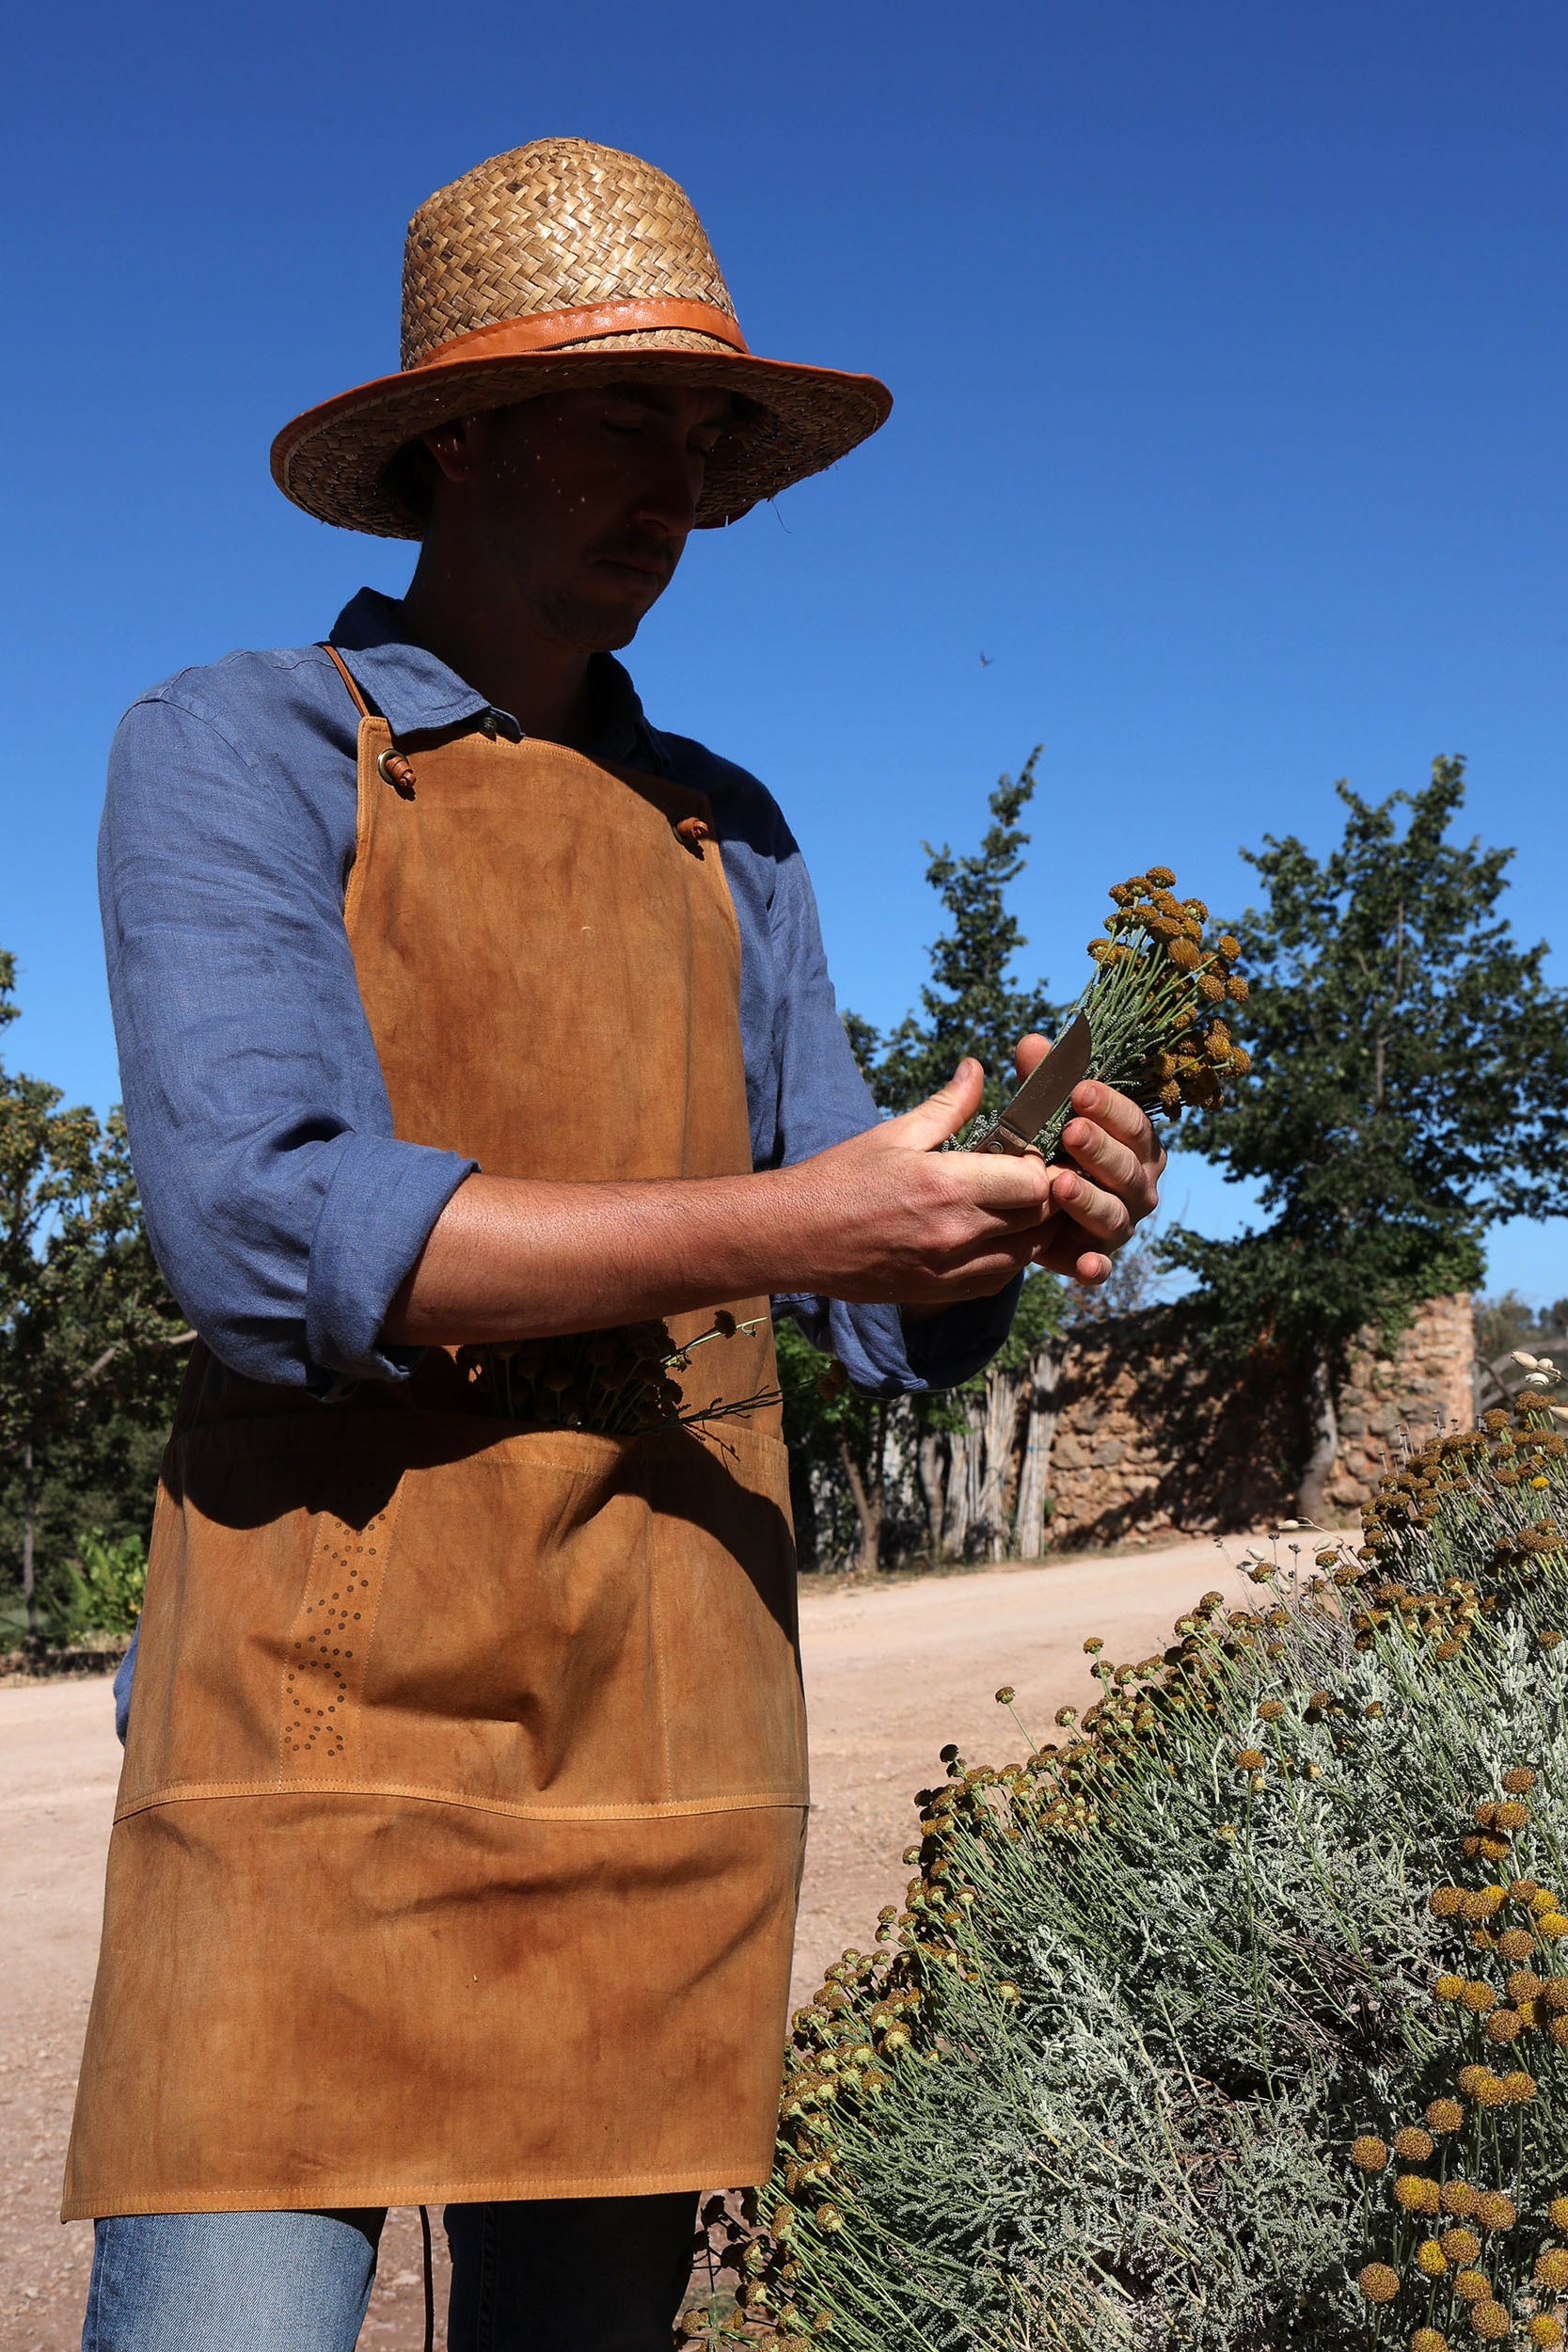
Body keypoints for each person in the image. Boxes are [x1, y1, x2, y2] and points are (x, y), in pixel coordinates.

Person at [65, 138, 1164, 2352]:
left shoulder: (728, 834)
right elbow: (260, 1221)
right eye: (616, 416)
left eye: (704, 433)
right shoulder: (243, 742)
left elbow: (859, 1306)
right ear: (453, 437)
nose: (674, 481)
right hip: (312, 1698)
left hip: (664, 1705)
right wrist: (796, 1217)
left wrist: (976, 1217)